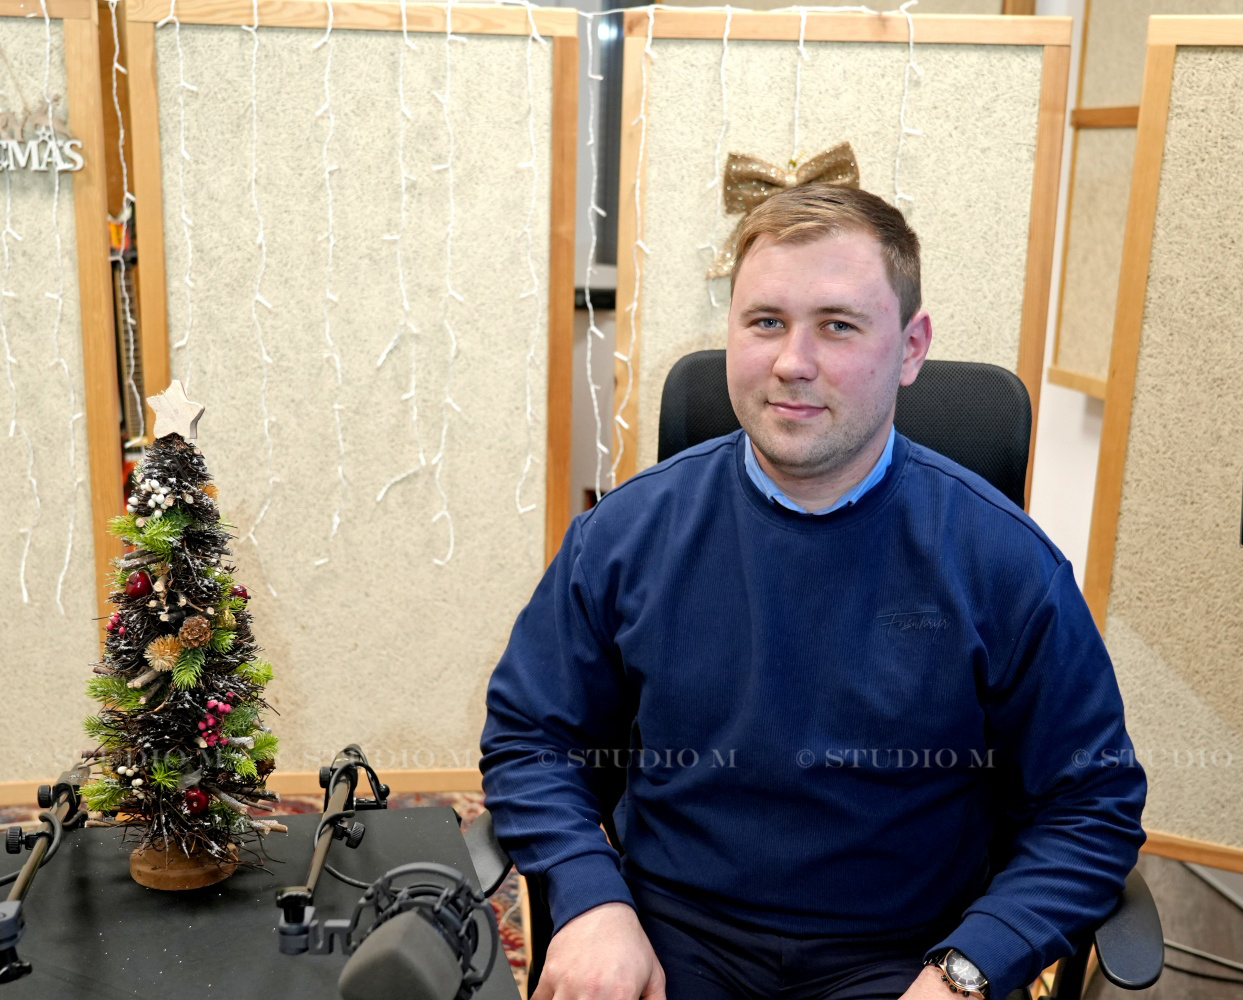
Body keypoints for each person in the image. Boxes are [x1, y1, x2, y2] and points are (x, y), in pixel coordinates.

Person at [480, 185, 1146, 1000]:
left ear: (909, 347)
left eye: (837, 324)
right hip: (667, 940)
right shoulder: (625, 535)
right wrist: (588, 902)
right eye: (766, 322)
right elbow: (529, 737)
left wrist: (966, 971)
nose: (793, 361)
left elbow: (1092, 805)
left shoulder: (1005, 565)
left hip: (907, 958)